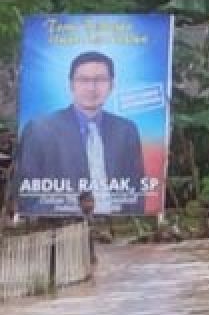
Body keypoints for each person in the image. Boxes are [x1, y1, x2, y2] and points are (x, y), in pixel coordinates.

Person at [14, 52, 146, 215]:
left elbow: (136, 188)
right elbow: (26, 193)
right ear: (71, 85)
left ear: (111, 85)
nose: (91, 87)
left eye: (100, 80)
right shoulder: (40, 129)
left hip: (116, 225)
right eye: (83, 80)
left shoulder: (126, 130)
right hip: (61, 226)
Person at [0, 129, 15, 216]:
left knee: (8, 195)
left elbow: (15, 160)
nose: (5, 138)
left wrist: (9, 170)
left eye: (7, 136)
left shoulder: (13, 147)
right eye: (3, 136)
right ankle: (2, 213)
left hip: (9, 174)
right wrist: (2, 169)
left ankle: (10, 214)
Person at [78, 190, 98, 267]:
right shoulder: (79, 218)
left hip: (89, 256)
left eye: (92, 201)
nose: (91, 204)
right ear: (80, 204)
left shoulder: (90, 217)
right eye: (87, 201)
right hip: (81, 257)